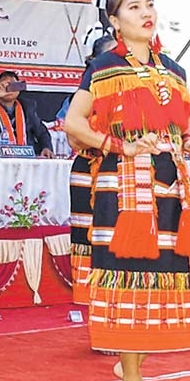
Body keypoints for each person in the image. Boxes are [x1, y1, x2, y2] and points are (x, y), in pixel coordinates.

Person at [64, 0, 190, 381]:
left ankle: (132, 360)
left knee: (163, 276)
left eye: (149, 4)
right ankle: (131, 374)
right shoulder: (102, 69)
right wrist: (121, 145)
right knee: (128, 274)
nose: (145, 13)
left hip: (169, 186)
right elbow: (74, 124)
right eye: (133, 8)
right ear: (115, 21)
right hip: (123, 187)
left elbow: (186, 130)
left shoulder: (174, 70)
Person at [70, 33, 116, 306]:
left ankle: (117, 308)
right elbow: (73, 136)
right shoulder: (85, 93)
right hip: (89, 168)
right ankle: (94, 307)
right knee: (91, 238)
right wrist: (109, 141)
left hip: (122, 170)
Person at [0, 71, 54, 158]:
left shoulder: (28, 106)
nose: (9, 90)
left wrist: (46, 147)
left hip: (27, 157)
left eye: (13, 86)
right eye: (5, 86)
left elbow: (42, 133)